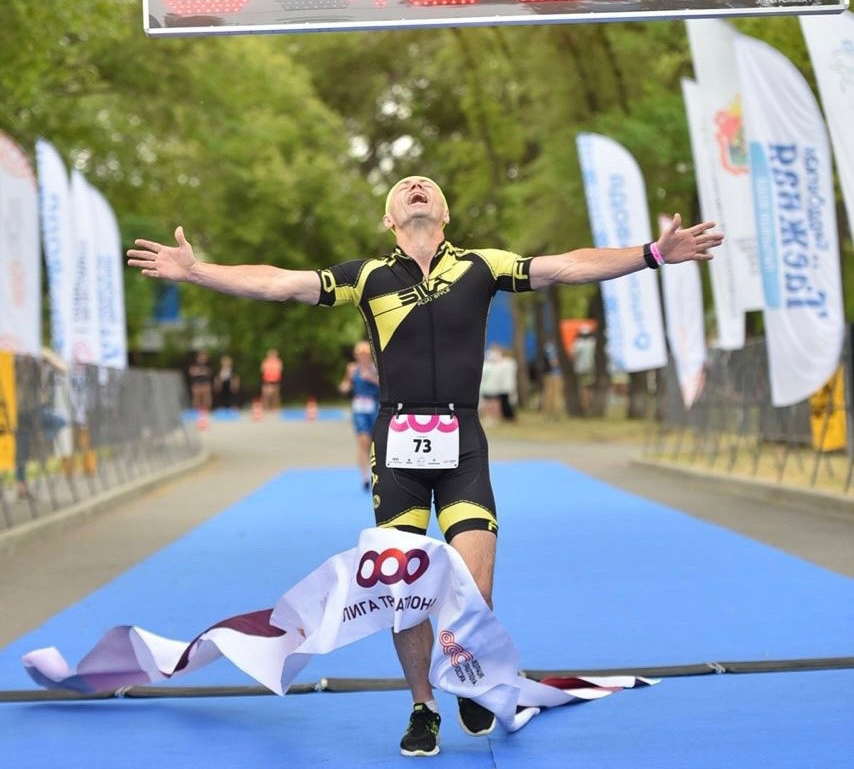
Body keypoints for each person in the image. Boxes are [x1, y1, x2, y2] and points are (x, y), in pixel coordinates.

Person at [127, 175, 723, 757]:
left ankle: (467, 672)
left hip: (463, 441)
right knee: (404, 591)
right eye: (404, 186)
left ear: (445, 214)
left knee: (476, 586)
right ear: (388, 218)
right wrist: (198, 271)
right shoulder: (366, 277)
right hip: (396, 447)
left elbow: (566, 265)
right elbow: (279, 283)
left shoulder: (483, 266)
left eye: (428, 185)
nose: (417, 186)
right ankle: (423, 705)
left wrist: (651, 254)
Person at [338, 340, 380, 491]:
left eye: (365, 354)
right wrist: (344, 387)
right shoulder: (352, 368)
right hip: (359, 408)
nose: (362, 357)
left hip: (374, 406)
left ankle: (378, 474)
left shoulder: (375, 368)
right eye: (359, 354)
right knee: (363, 441)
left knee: (376, 442)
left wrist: (371, 378)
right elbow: (345, 385)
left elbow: (384, 386)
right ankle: (364, 477)